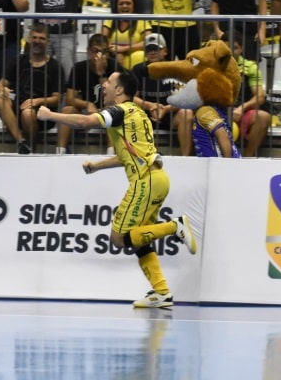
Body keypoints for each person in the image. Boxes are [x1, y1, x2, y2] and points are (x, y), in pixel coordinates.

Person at [36, 71, 198, 309]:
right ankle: (162, 292)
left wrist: (50, 114)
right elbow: (127, 156)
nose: (104, 85)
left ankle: (175, 227)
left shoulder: (119, 111)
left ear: (120, 91)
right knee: (139, 240)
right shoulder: (138, 113)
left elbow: (84, 122)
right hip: (157, 179)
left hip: (146, 181)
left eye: (109, 82)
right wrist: (97, 166)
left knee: (119, 238)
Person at [0, 24, 65, 154]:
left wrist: (37, 101)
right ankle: (22, 142)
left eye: (42, 38)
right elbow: (1, 84)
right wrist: (2, 90)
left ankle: (32, 150)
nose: (37, 41)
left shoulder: (55, 67)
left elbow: (57, 99)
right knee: (0, 100)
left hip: (43, 112)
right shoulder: (17, 61)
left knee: (27, 113)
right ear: (28, 39)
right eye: (34, 37)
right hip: (18, 104)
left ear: (48, 42)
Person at [57, 34, 124, 154]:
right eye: (95, 51)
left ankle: (110, 153)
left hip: (108, 111)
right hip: (86, 113)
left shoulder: (115, 67)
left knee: (113, 109)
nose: (98, 55)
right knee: (67, 110)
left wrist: (101, 72)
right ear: (88, 51)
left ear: (108, 53)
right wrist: (86, 104)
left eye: (103, 52)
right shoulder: (79, 68)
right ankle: (60, 152)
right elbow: (70, 98)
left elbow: (116, 97)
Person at [131, 33, 194, 156]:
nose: (152, 52)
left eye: (156, 49)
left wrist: (165, 109)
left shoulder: (175, 69)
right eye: (149, 49)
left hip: (169, 116)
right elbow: (131, 98)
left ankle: (186, 158)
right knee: (128, 111)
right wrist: (150, 106)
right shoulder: (138, 70)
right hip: (145, 115)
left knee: (187, 113)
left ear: (165, 51)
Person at [26, 0, 84, 78]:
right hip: (42, 33)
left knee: (68, 75)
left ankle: (66, 99)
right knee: (37, 74)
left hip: (66, 32)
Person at [226, 34, 271, 157]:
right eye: (226, 47)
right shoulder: (212, 67)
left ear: (241, 49)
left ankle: (247, 158)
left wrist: (242, 108)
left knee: (263, 117)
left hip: (242, 112)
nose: (229, 52)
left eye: (234, 48)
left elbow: (260, 96)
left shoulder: (250, 67)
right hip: (219, 113)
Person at [101, 0, 151, 71]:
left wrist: (123, 49)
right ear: (116, 7)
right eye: (121, 4)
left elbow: (149, 41)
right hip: (113, 59)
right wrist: (117, 52)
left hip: (136, 62)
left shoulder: (141, 21)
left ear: (133, 6)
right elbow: (102, 39)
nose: (124, 6)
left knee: (140, 55)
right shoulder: (110, 20)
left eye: (128, 3)